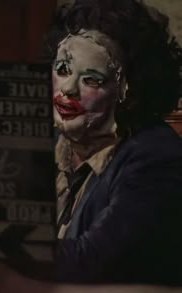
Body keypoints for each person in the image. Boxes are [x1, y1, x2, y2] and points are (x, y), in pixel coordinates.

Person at [50, 0, 182, 285]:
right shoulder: (57, 143)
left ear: (128, 92)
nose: (67, 89)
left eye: (92, 79)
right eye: (62, 69)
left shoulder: (157, 156)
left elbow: (91, 263)